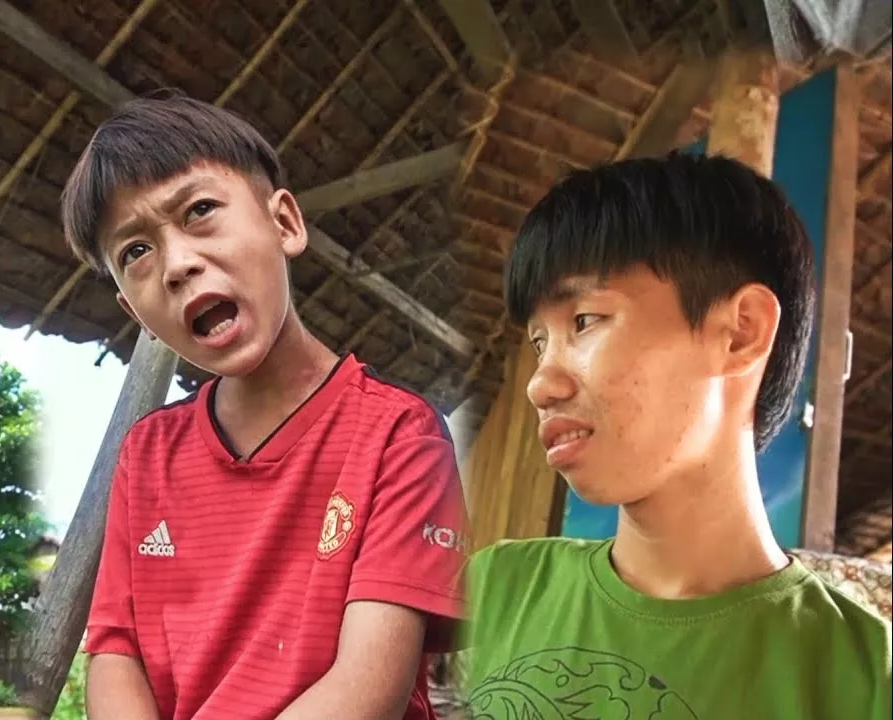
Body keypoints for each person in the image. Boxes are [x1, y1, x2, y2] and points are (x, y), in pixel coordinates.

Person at [63, 93, 470, 720]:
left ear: (285, 223)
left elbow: (368, 687)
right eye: (135, 252)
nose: (177, 265)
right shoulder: (146, 453)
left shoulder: (400, 434)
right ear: (132, 311)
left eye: (199, 210)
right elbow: (117, 651)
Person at [462, 152, 892, 717]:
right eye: (540, 343)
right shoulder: (489, 591)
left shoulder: (867, 678)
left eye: (585, 321)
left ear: (741, 332)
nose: (540, 385)